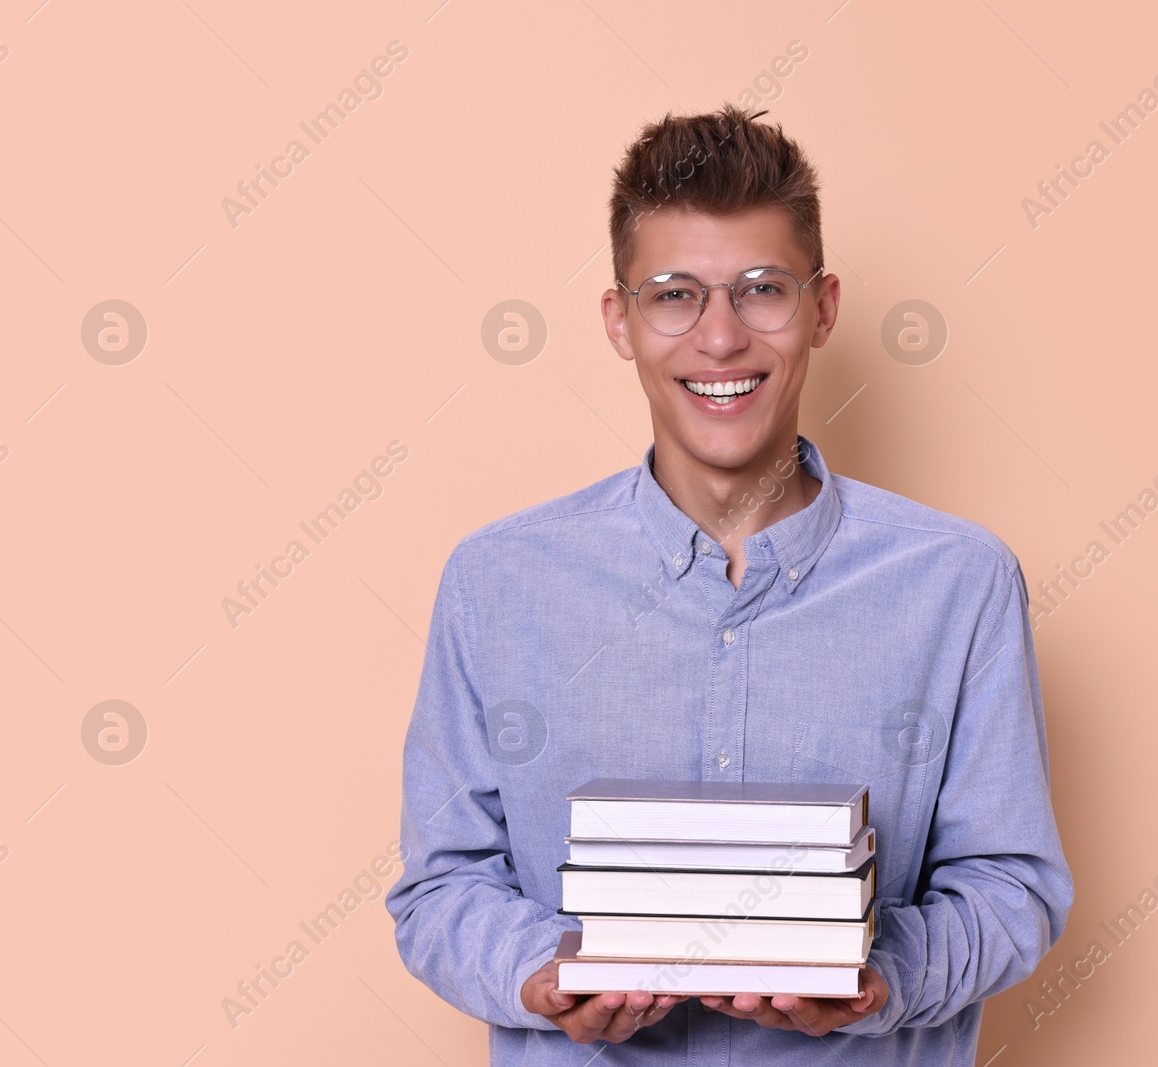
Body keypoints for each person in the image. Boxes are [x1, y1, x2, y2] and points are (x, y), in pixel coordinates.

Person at [385, 103, 1073, 1066]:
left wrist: (884, 979)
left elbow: (1012, 886)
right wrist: (543, 971)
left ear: (822, 307)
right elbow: (442, 883)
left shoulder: (960, 585)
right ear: (620, 321)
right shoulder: (497, 583)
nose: (719, 338)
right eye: (673, 294)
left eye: (761, 290)